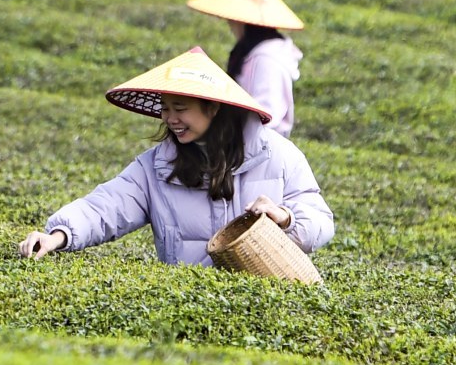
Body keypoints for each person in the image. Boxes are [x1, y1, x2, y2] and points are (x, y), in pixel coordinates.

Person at [17, 48, 334, 268]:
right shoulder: (156, 166)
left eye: (180, 109)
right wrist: (58, 235)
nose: (171, 118)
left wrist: (286, 218)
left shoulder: (277, 155)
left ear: (212, 107)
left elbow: (321, 222)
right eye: (165, 108)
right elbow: (106, 207)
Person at [186, 0, 305, 137]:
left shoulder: (266, 59)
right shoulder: (256, 52)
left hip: (260, 149)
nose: (229, 24)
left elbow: (266, 115)